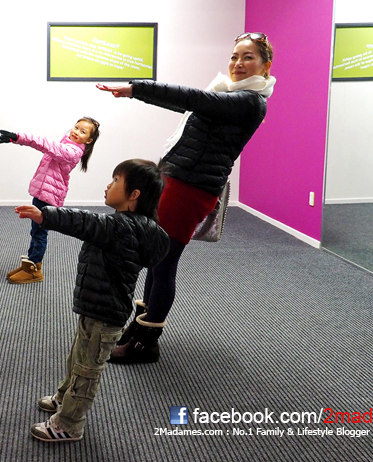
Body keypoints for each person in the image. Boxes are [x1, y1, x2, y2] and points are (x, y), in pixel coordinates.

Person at [95, 32, 275, 364]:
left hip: (191, 188)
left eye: (248, 57)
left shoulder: (249, 101)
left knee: (164, 262)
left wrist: (137, 88)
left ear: (265, 66)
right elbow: (186, 103)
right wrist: (138, 95)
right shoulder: (227, 93)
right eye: (235, 56)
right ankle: (140, 325)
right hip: (177, 180)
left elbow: (192, 98)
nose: (238, 63)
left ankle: (146, 342)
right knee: (155, 255)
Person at [15, 159, 169, 442]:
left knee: (87, 370)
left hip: (104, 314)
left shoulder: (119, 227)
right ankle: (65, 398)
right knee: (78, 358)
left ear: (134, 194)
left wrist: (45, 216)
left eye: (116, 181)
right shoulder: (132, 227)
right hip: (98, 308)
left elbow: (83, 222)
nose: (109, 185)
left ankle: (69, 424)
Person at [0, 117, 100, 284]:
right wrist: (15, 139)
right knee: (36, 231)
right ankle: (30, 264)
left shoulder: (71, 152)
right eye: (76, 127)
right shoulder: (66, 143)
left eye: (83, 132)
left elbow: (44, 143)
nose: (76, 132)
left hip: (49, 196)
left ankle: (34, 270)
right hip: (43, 192)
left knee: (40, 233)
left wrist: (18, 137)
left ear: (89, 140)